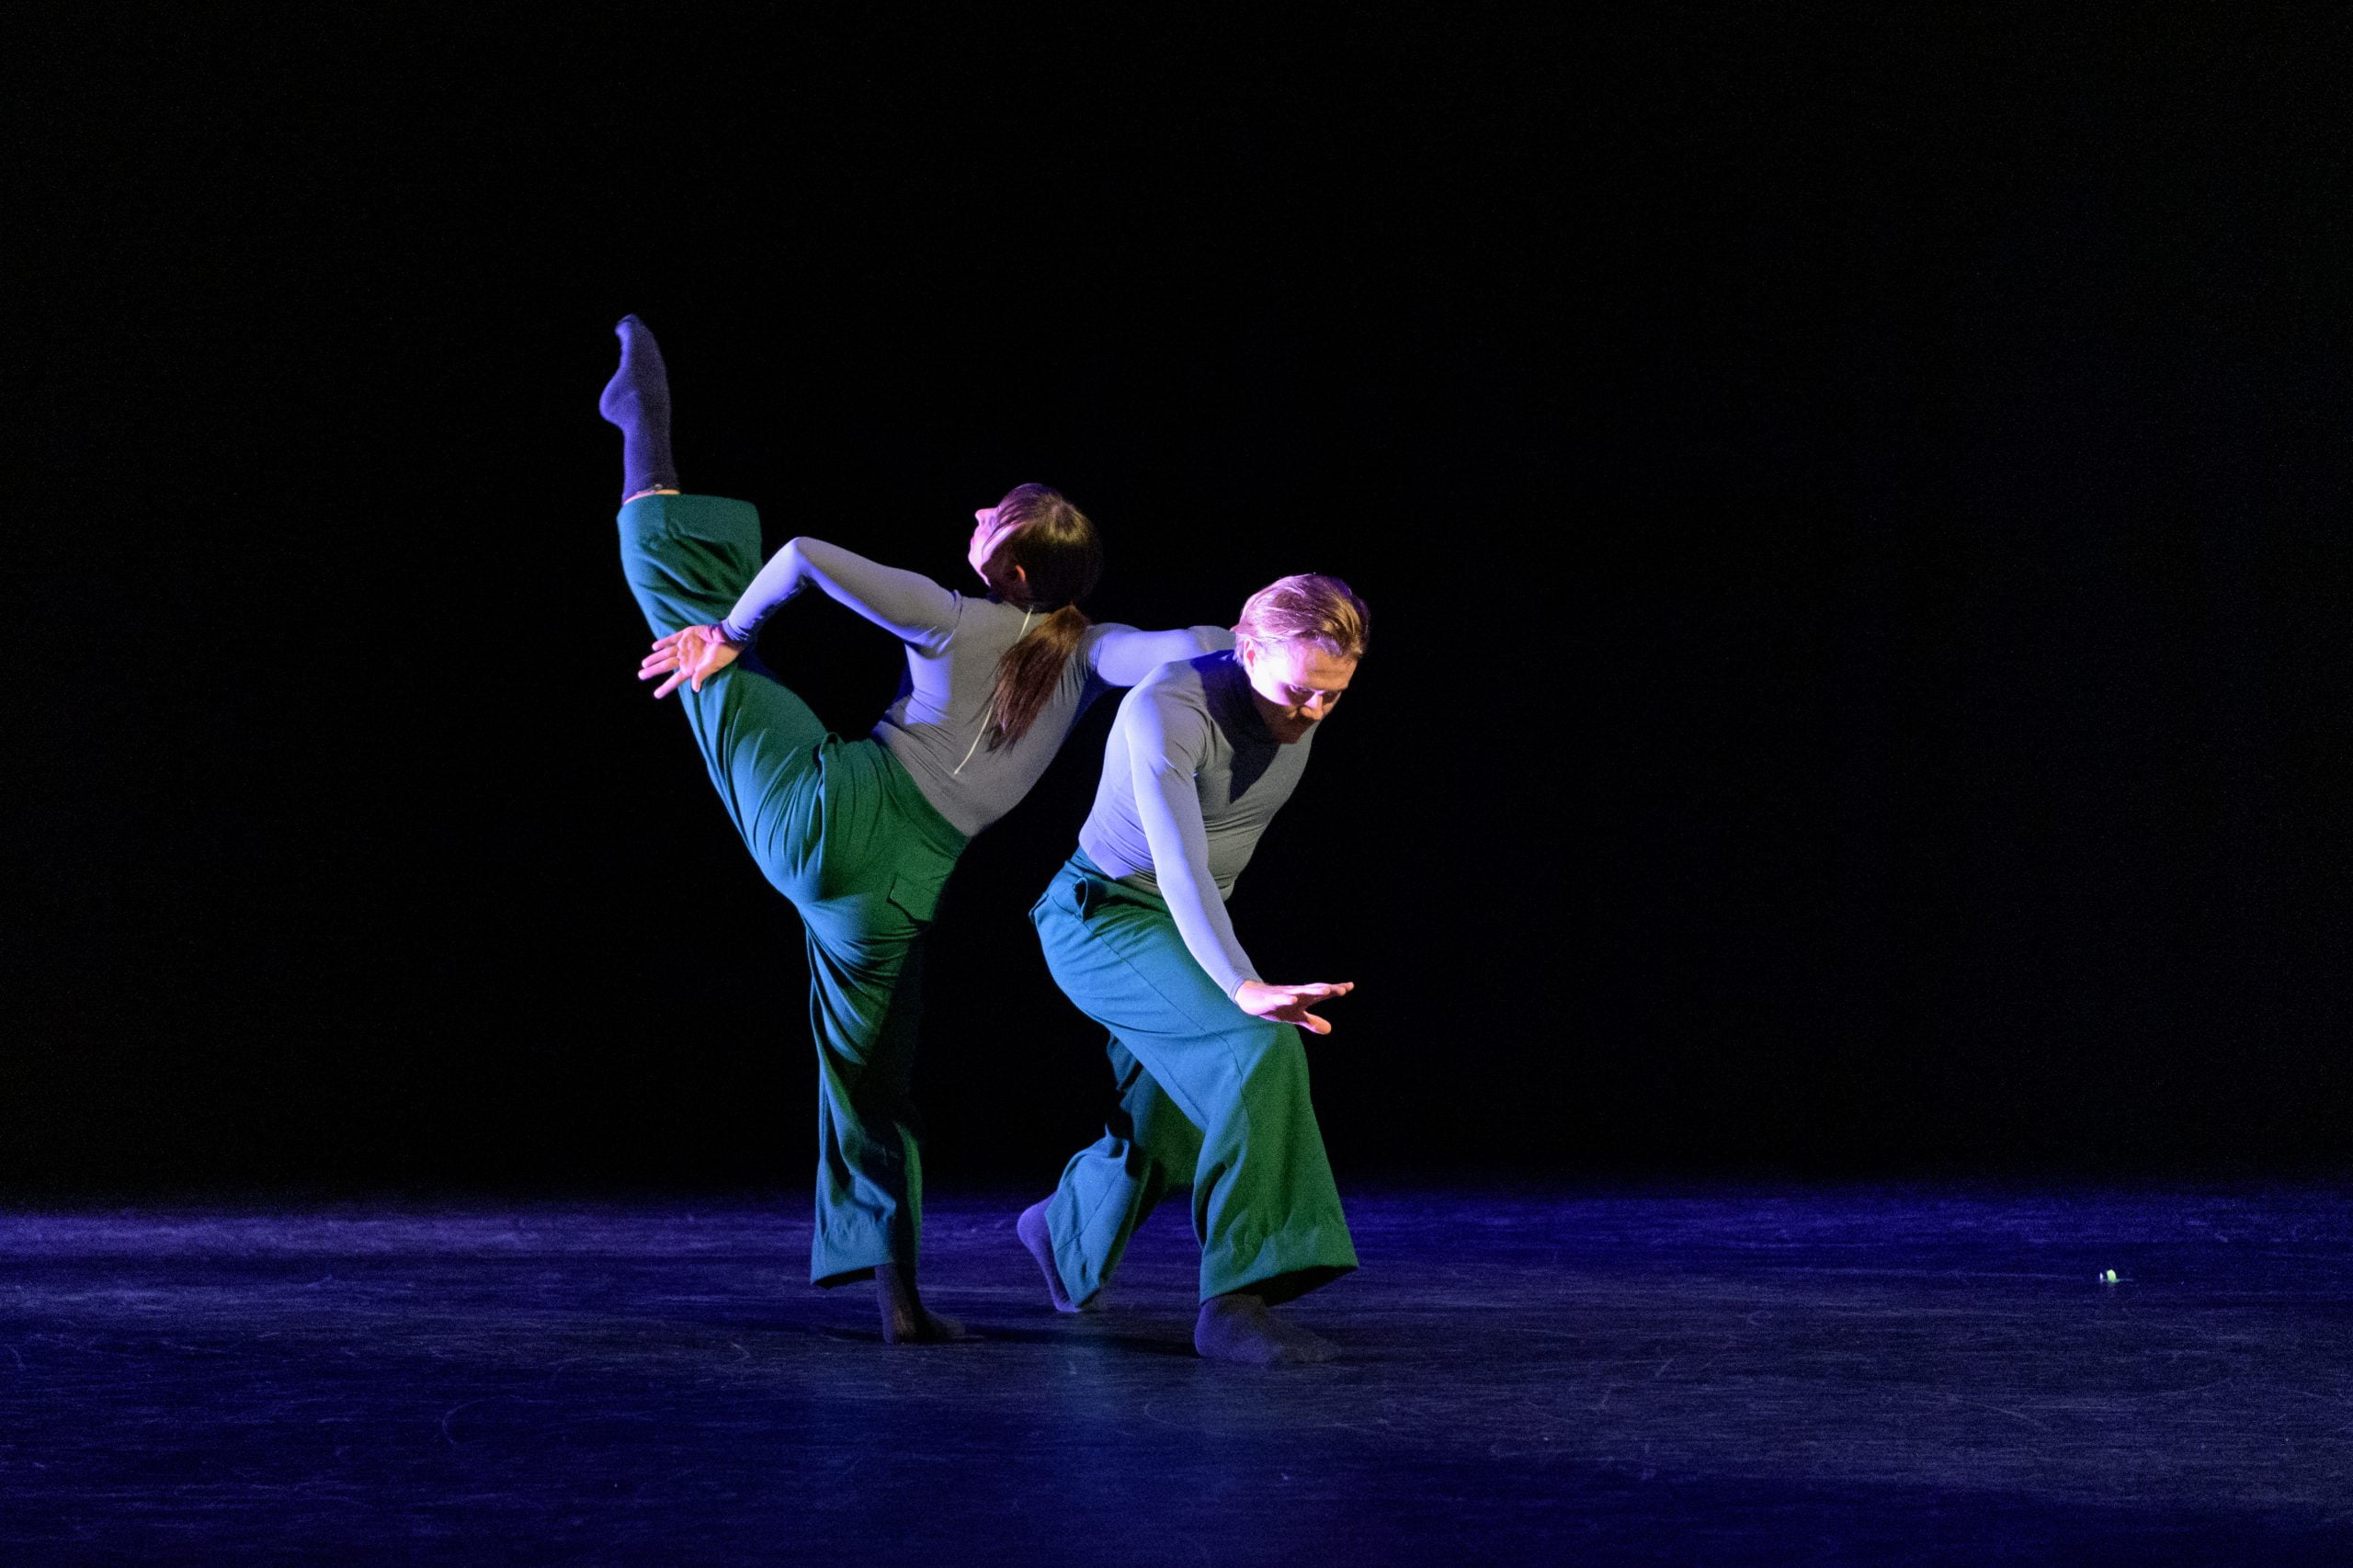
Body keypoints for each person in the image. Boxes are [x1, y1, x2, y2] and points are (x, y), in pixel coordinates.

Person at [600, 315, 1230, 1343]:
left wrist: (732, 634)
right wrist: (1241, 639)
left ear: (1013, 573)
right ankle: (899, 1302)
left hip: (826, 807)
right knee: (870, 1078)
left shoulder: (955, 616)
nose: (978, 512)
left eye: (996, 517)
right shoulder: (1091, 652)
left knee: (695, 628)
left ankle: (646, 440)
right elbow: (1173, 648)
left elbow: (802, 556)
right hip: (898, 891)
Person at [1017, 573, 1370, 1364]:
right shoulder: (1166, 711)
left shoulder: (1289, 685)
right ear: (1249, 652)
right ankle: (1236, 1303)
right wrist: (1243, 985)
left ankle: (1063, 1229)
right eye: (1300, 692)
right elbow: (1179, 867)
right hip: (1103, 917)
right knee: (1256, 1050)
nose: (1314, 711)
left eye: (1335, 695)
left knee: (1170, 1116)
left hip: (1180, 926)